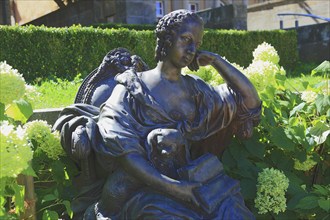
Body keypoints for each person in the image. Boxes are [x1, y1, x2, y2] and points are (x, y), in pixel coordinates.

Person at [54, 9, 261, 219]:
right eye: (186, 39)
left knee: (234, 212)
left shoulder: (198, 92)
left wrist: (217, 61)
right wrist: (176, 189)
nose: (191, 49)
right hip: (140, 190)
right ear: (167, 38)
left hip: (190, 183)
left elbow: (250, 101)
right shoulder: (130, 89)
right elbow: (128, 156)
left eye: (196, 44)